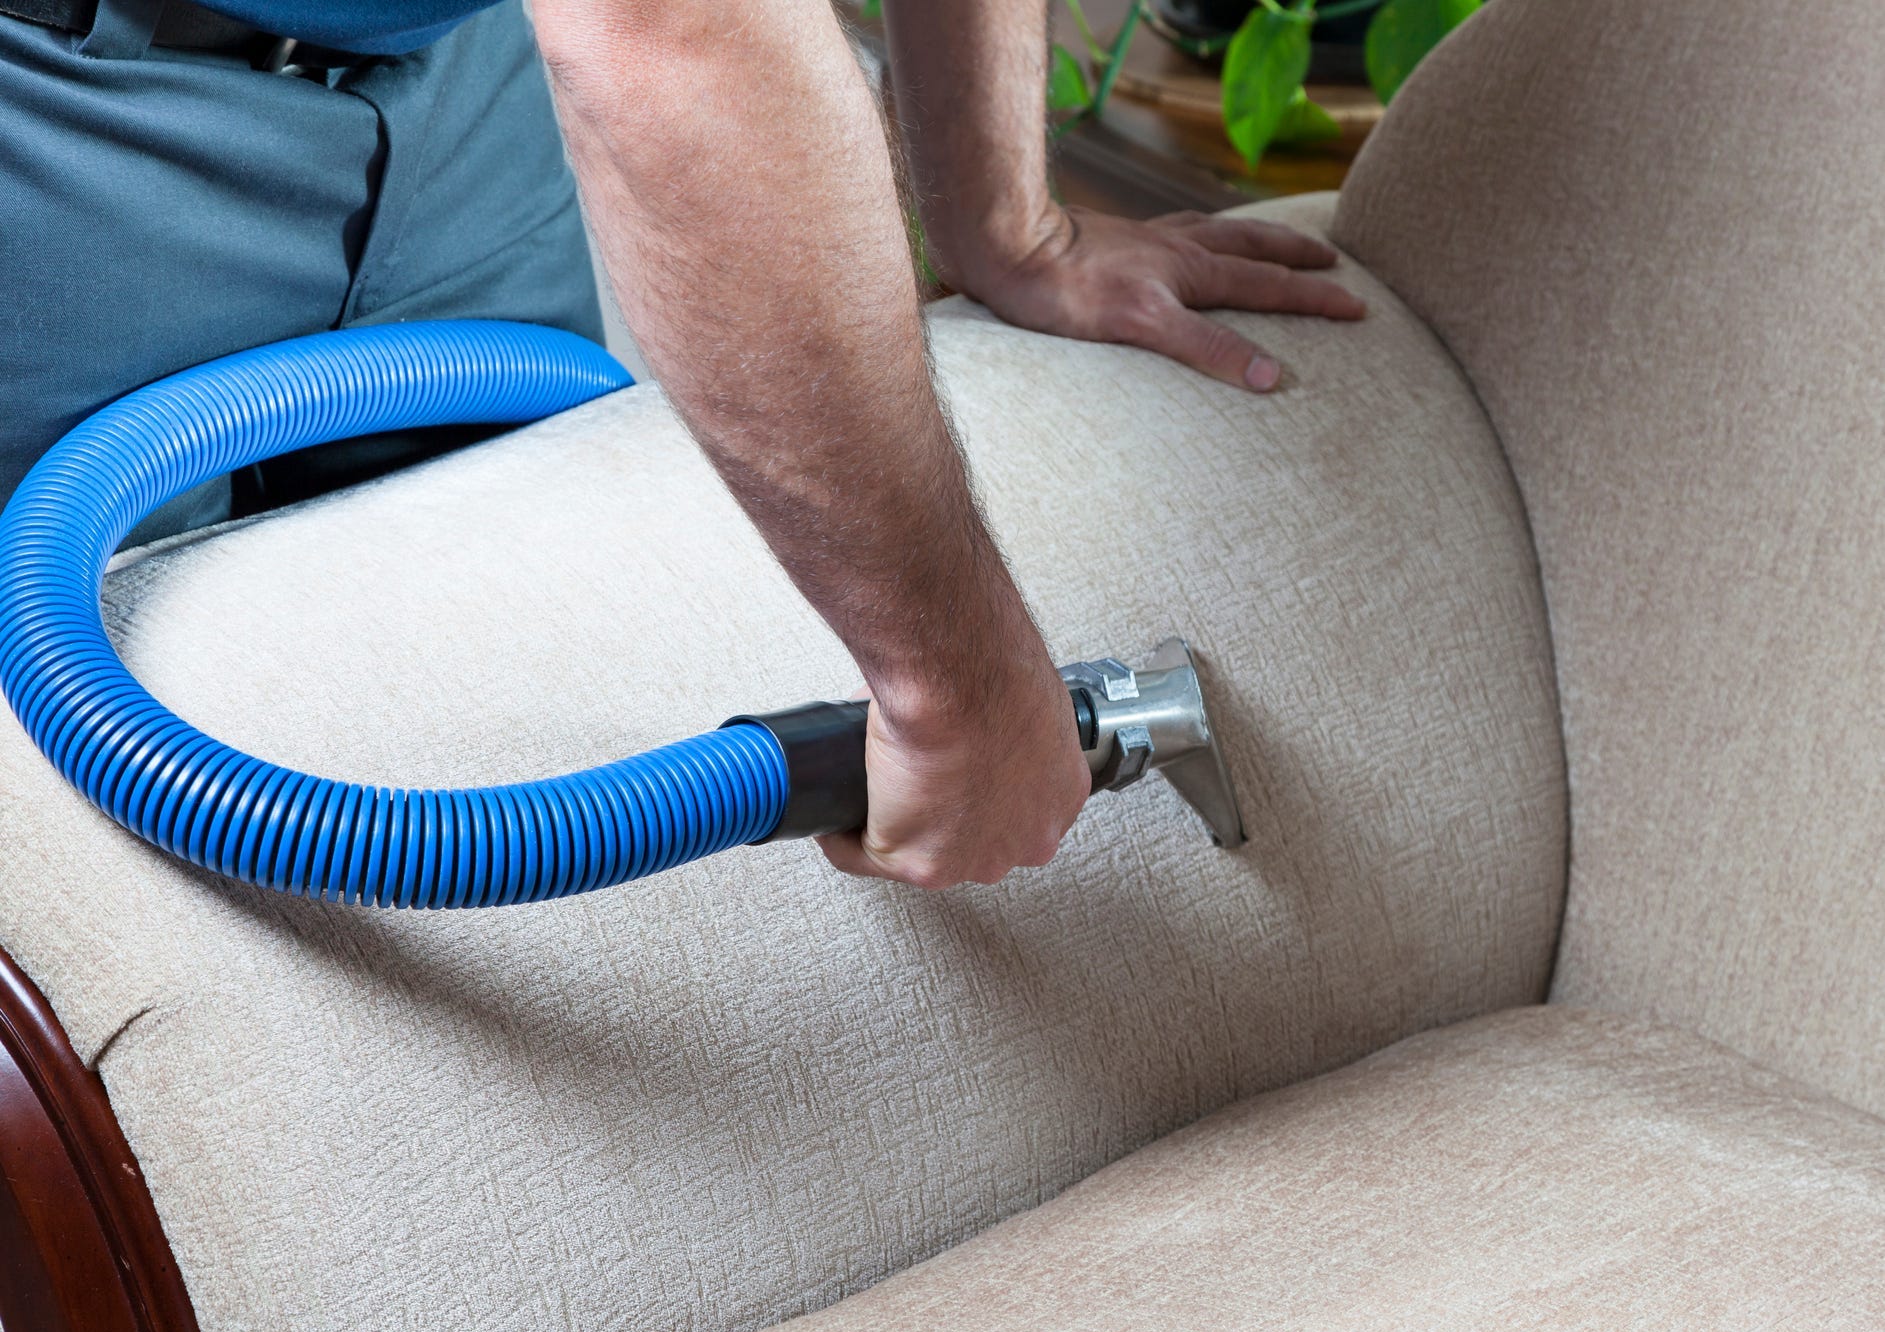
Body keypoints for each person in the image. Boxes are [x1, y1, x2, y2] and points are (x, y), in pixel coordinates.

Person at [0, 0, 1364, 890]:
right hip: (43, 104)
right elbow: (673, 28)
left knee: (478, 698)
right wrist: (959, 690)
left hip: (440, 67)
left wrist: (1008, 225)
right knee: (67, 858)